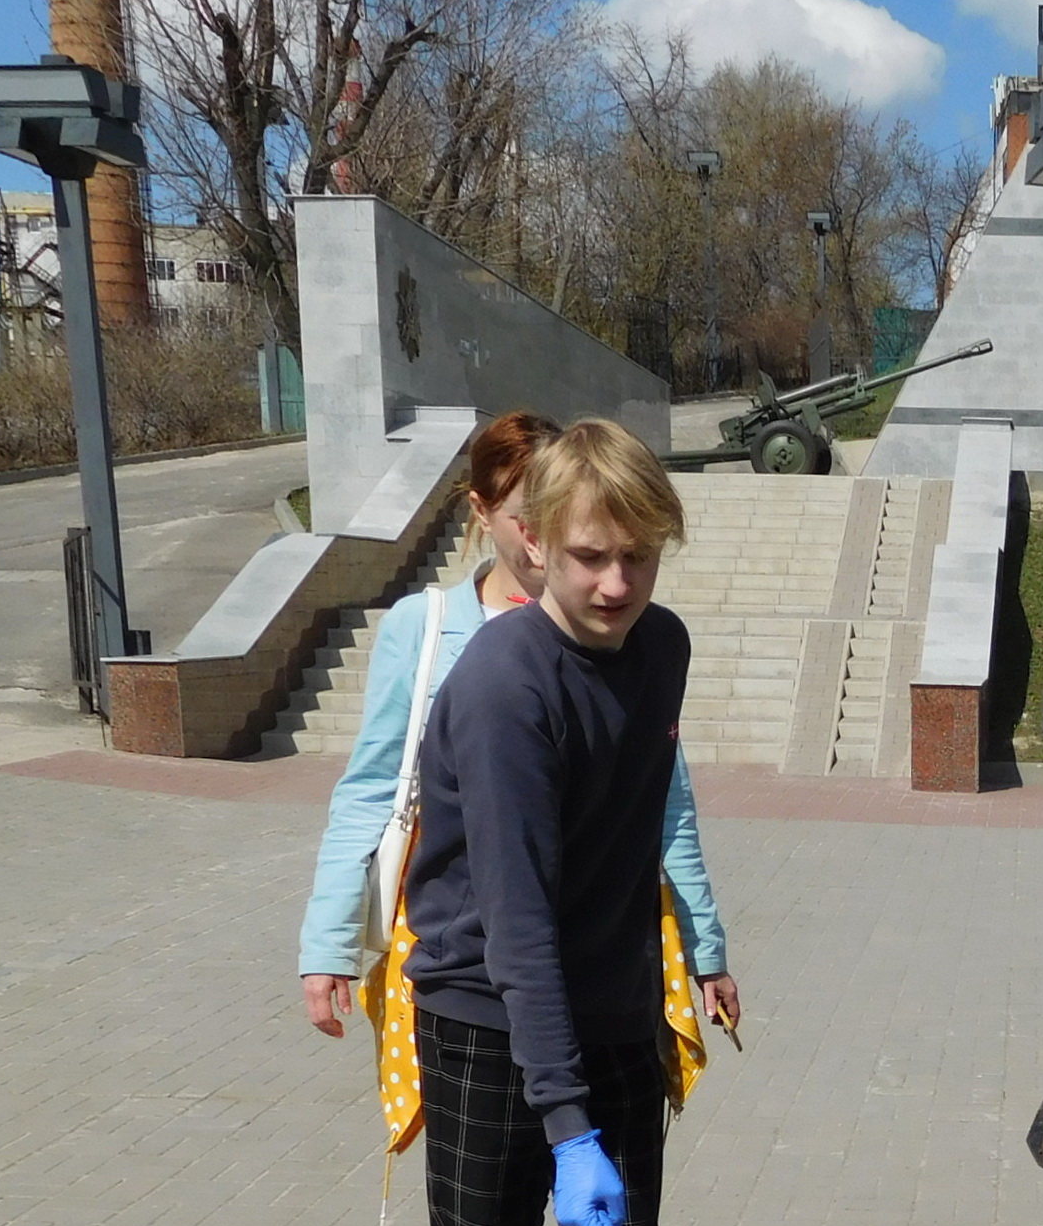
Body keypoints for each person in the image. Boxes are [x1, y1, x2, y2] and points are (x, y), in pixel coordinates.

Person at [398, 420, 782, 1226]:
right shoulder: (507, 687)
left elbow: (634, 850)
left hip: (609, 1020)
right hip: (480, 1021)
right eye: (589, 558)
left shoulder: (658, 649)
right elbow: (513, 921)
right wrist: (564, 1122)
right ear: (534, 544)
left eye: (638, 557)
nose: (617, 586)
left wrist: (658, 1007)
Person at [297, 409, 740, 1041]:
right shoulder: (425, 630)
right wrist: (329, 942)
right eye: (530, 515)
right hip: (466, 963)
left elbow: (664, 797)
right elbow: (370, 785)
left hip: (600, 962)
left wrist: (704, 946)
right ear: (484, 513)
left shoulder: (627, 634)